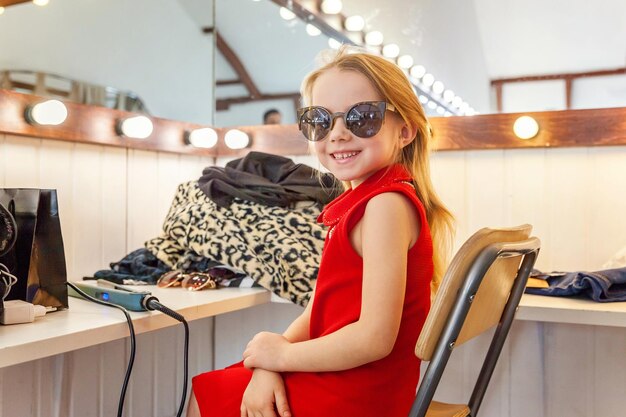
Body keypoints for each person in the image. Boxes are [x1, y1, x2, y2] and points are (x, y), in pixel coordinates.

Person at [187, 46, 454, 417]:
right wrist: (271, 359)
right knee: (230, 381)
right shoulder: (370, 201)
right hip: (353, 376)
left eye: (362, 118)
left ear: (405, 130)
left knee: (209, 395)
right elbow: (318, 313)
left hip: (360, 392)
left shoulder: (385, 206)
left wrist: (282, 355)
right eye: (321, 120)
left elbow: (374, 339)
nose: (339, 134)